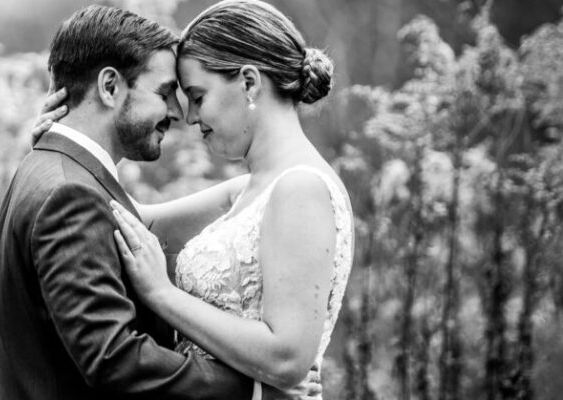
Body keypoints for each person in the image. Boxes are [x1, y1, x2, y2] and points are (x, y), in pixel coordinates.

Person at [31, 1, 354, 399]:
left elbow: (287, 359)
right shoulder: (250, 190)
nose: (189, 117)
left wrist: (164, 295)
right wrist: (67, 144)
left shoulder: (301, 189)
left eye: (198, 97)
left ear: (249, 83)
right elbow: (123, 220)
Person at [0, 5, 261, 400]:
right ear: (110, 87)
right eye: (164, 93)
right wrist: (250, 388)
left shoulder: (51, 170)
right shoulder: (70, 194)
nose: (177, 112)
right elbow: (113, 358)